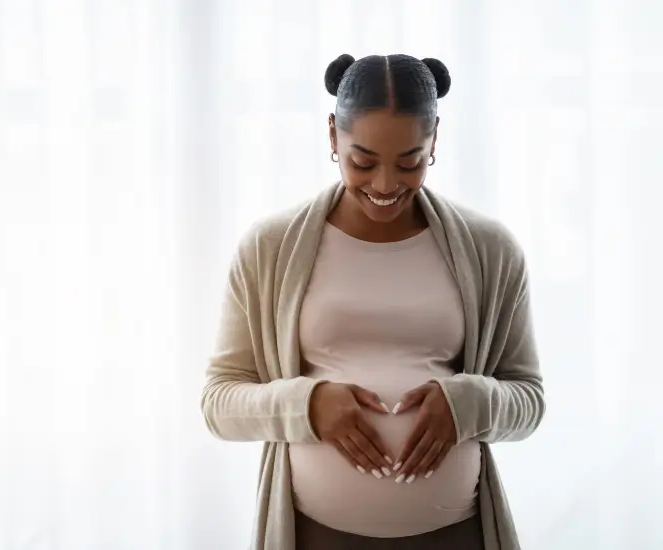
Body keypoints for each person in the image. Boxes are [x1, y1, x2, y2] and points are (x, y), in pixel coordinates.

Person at [201, 53, 545, 550]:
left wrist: (469, 404)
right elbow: (219, 403)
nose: (385, 185)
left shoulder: (491, 249)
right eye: (362, 162)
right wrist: (308, 405)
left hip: (455, 536)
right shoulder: (270, 247)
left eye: (409, 162)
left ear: (434, 141)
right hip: (317, 536)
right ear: (332, 137)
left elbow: (528, 401)